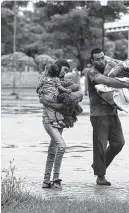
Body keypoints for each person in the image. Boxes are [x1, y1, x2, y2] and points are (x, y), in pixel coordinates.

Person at [87, 48, 129, 186]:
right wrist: (126, 84)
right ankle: (100, 176)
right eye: (97, 59)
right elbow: (106, 81)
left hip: (113, 113)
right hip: (98, 115)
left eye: (103, 57)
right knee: (100, 146)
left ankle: (98, 166)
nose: (101, 61)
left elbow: (125, 69)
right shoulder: (91, 72)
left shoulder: (111, 69)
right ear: (92, 61)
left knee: (118, 143)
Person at [40, 59, 72, 190]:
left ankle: (46, 181)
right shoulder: (46, 80)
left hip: (60, 120)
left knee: (52, 150)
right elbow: (43, 99)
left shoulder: (61, 83)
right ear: (58, 68)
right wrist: (61, 105)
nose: (65, 73)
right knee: (62, 147)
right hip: (49, 120)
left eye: (67, 71)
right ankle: (56, 179)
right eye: (64, 70)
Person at [36, 64, 72, 128]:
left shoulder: (43, 78)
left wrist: (37, 90)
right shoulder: (56, 79)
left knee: (50, 109)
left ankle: (54, 122)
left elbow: (38, 86)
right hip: (55, 96)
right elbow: (60, 86)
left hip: (46, 96)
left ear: (47, 71)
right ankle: (60, 120)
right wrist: (66, 90)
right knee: (58, 107)